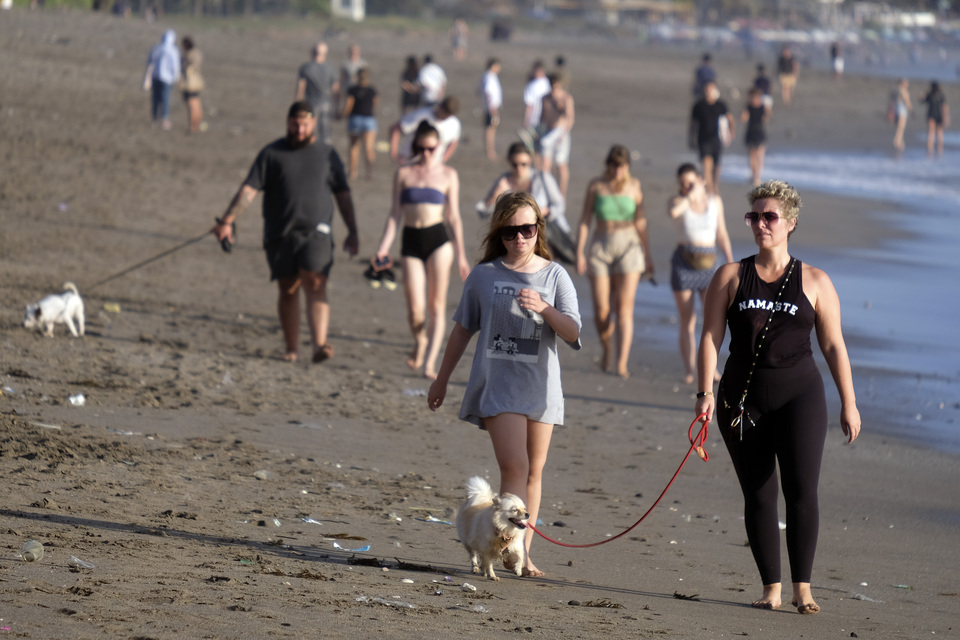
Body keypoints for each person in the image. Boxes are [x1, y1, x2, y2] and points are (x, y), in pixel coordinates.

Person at [695, 180, 861, 614]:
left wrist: (849, 401)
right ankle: (772, 587)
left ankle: (803, 588)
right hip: (741, 399)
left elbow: (834, 346)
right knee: (759, 493)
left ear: (790, 223)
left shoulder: (816, 281)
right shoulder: (730, 276)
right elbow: (710, 338)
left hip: (800, 397)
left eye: (770, 217)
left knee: (802, 490)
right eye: (754, 216)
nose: (760, 224)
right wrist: (704, 393)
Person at [428, 192, 582, 578]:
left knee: (535, 473)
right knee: (515, 467)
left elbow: (574, 331)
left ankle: (522, 552)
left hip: (540, 386)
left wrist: (544, 309)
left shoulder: (554, 275)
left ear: (538, 230)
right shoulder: (483, 276)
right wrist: (441, 378)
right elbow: (462, 330)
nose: (519, 239)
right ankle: (514, 554)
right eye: (511, 231)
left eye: (527, 230)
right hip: (498, 385)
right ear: (500, 233)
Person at [211, 101, 359, 363]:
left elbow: (343, 195)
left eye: (304, 124)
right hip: (280, 232)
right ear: (287, 122)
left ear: (314, 123)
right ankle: (292, 349)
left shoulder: (327, 154)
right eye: (295, 124)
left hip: (317, 232)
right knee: (288, 288)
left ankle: (319, 345)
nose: (299, 130)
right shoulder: (271, 153)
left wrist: (353, 231)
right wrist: (226, 220)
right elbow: (249, 190)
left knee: (315, 282)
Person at [374, 122, 471, 379]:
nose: (426, 153)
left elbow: (454, 217)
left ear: (439, 147)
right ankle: (420, 340)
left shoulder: (449, 175)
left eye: (431, 148)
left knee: (436, 306)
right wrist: (383, 248)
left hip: (438, 240)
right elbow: (394, 214)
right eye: (421, 148)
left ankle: (429, 364)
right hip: (411, 240)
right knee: (415, 308)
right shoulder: (404, 173)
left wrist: (462, 255)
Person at [576, 145, 652, 378]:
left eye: (621, 166)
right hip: (601, 244)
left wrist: (647, 255)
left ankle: (621, 363)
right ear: (607, 165)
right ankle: (607, 346)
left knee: (624, 308)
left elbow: (640, 222)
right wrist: (579, 251)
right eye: (613, 166)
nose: (617, 171)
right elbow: (585, 220)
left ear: (627, 166)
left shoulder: (635, 186)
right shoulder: (596, 186)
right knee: (602, 310)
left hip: (629, 245)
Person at [667, 163, 733, 384]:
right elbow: (673, 212)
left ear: (701, 179)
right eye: (682, 184)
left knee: (711, 320)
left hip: (710, 262)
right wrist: (689, 196)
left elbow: (721, 232)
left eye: (691, 182)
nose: (686, 186)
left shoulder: (715, 201)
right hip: (684, 262)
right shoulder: (678, 202)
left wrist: (730, 260)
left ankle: (711, 370)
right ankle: (689, 370)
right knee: (687, 319)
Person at [481, 142, 573, 262]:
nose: (519, 168)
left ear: (531, 160)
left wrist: (544, 211)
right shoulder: (504, 181)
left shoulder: (542, 178)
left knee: (543, 268)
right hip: (514, 237)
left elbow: (560, 205)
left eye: (524, 164)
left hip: (542, 235)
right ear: (509, 161)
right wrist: (495, 195)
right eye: (515, 165)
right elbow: (482, 212)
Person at [689, 81, 734, 193]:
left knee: (716, 165)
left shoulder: (721, 105)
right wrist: (691, 138)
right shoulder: (698, 105)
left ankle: (715, 185)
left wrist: (731, 132)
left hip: (717, 138)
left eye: (710, 89)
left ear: (715, 91)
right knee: (706, 161)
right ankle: (708, 187)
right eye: (706, 89)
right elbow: (693, 123)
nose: (708, 92)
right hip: (703, 138)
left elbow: (730, 119)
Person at [388, 96, 461, 164]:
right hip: (411, 162)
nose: (443, 116)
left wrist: (443, 160)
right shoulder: (422, 114)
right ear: (440, 106)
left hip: (433, 165)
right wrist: (394, 154)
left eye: (447, 115)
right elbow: (395, 129)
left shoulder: (454, 124)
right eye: (443, 112)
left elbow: (453, 143)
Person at [538, 73, 575, 198]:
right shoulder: (545, 98)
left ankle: (561, 193)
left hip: (561, 133)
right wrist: (538, 132)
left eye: (556, 85)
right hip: (548, 132)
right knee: (546, 163)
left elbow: (570, 118)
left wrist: (564, 134)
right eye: (552, 85)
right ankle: (546, 191)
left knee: (561, 163)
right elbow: (542, 117)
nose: (554, 88)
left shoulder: (566, 98)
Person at [296, 42, 338, 144]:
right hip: (327, 105)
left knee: (309, 131)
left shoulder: (306, 67)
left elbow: (300, 88)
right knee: (326, 134)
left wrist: (298, 105)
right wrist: (337, 107)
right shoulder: (330, 68)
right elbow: (336, 89)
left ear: (312, 52)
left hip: (311, 105)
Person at [341, 67, 378, 180]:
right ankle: (370, 172)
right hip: (369, 119)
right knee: (369, 148)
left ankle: (353, 172)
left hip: (355, 118)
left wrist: (343, 115)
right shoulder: (372, 90)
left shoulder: (352, 89)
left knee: (354, 147)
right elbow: (375, 104)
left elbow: (349, 104)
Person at [143, 29, 180, 131]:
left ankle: (154, 119)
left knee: (155, 98)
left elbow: (150, 62)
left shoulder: (156, 48)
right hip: (167, 79)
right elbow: (175, 66)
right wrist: (176, 78)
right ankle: (164, 120)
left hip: (155, 77)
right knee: (165, 99)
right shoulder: (173, 50)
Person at [741, 86, 771, 186]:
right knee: (752, 155)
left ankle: (757, 176)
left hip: (758, 131)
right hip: (753, 130)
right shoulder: (750, 107)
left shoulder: (761, 107)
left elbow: (766, 118)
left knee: (759, 155)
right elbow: (744, 118)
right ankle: (755, 176)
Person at [479, 58, 502, 161]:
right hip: (491, 107)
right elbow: (488, 92)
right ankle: (490, 151)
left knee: (491, 128)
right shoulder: (489, 77)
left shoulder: (487, 76)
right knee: (490, 129)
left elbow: (478, 90)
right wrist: (492, 107)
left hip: (490, 106)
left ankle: (490, 151)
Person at [180, 36, 204, 134]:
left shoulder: (190, 54)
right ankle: (196, 124)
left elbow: (187, 66)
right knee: (196, 103)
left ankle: (192, 126)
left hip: (190, 83)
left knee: (192, 104)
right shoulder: (197, 53)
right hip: (197, 82)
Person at [521, 60, 551, 139]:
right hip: (545, 118)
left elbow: (529, 105)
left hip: (535, 118)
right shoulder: (548, 83)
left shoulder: (531, 85)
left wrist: (526, 120)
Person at [920, 81, 950, 159]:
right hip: (939, 115)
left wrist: (922, 96)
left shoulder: (930, 94)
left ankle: (930, 150)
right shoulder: (941, 95)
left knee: (931, 133)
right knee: (939, 133)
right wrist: (946, 117)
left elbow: (922, 101)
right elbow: (945, 107)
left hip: (931, 115)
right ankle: (940, 150)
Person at [337, 44, 367, 113]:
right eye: (352, 51)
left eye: (356, 51)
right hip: (348, 88)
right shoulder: (345, 64)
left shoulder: (363, 64)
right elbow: (342, 78)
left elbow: (366, 77)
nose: (354, 53)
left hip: (359, 89)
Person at [891, 78, 912, 152]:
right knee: (901, 127)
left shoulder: (897, 90)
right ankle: (897, 141)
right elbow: (907, 102)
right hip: (902, 111)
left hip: (897, 109)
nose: (908, 83)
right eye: (906, 82)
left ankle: (901, 142)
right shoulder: (904, 91)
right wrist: (911, 110)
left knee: (899, 126)